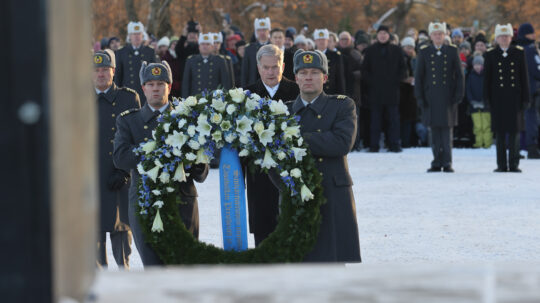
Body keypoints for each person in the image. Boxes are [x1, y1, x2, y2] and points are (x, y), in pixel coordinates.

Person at [113, 61, 209, 265]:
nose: (155, 88)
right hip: (145, 206)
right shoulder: (129, 121)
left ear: (169, 86)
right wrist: (158, 151)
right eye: (150, 84)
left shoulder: (188, 119)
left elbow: (202, 173)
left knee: (185, 270)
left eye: (160, 83)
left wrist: (191, 158)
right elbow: (121, 158)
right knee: (154, 270)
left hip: (182, 204)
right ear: (143, 88)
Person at [286, 49, 361, 263]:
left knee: (333, 263)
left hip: (333, 193)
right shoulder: (284, 110)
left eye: (315, 72)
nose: (308, 77)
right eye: (303, 72)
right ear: (296, 78)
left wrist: (296, 137)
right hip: (297, 195)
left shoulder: (342, 105)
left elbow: (341, 143)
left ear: (325, 78)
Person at [244, 45, 299, 246]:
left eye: (274, 67)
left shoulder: (296, 91)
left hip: (290, 172)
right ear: (258, 68)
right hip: (259, 174)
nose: (270, 72)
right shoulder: (245, 94)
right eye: (266, 67)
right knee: (263, 230)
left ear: (283, 66)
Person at [93, 50, 140, 269]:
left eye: (105, 70)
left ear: (113, 71)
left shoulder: (128, 98)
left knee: (121, 227)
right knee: (93, 229)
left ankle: (124, 273)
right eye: (97, 70)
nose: (101, 74)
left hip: (120, 175)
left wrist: (124, 171)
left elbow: (137, 137)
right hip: (91, 176)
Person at [415, 22, 464, 172]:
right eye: (435, 34)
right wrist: (420, 97)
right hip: (431, 97)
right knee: (434, 131)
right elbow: (419, 77)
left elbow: (459, 76)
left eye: (441, 34)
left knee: (447, 131)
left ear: (445, 35)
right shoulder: (424, 52)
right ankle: (436, 161)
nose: (438, 36)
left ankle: (447, 162)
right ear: (431, 36)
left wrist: (458, 95)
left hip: (447, 97)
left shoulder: (452, 51)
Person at [484, 24, 529, 172]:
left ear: (511, 38)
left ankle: (514, 164)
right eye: (501, 36)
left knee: (515, 132)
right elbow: (487, 80)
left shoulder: (519, 53)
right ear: (496, 38)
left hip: (514, 98)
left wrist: (525, 98)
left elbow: (524, 78)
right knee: (500, 133)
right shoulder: (490, 54)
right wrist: (487, 99)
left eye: (506, 36)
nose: (504, 39)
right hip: (498, 99)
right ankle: (501, 164)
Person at [362, 25, 407, 152]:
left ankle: (394, 144)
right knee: (375, 120)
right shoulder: (370, 50)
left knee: (393, 120)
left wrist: (396, 81)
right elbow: (365, 70)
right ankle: (374, 145)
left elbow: (403, 69)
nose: (382, 36)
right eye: (380, 33)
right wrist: (372, 82)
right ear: (377, 35)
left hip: (392, 91)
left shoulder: (396, 50)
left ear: (389, 35)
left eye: (385, 34)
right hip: (375, 91)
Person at [114, 22, 159, 103]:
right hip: (127, 93)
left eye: (139, 34)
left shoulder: (149, 51)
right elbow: (118, 76)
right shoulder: (121, 52)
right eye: (134, 34)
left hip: (145, 93)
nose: (137, 36)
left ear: (142, 35)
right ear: (129, 36)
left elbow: (154, 75)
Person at [516, 23, 540, 158]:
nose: (534, 35)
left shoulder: (517, 48)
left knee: (518, 119)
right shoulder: (530, 49)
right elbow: (537, 69)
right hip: (532, 89)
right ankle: (532, 147)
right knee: (532, 118)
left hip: (519, 90)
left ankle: (517, 147)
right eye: (531, 33)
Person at [182, 33, 231, 98]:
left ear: (212, 46)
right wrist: (185, 101)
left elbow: (225, 84)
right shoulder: (191, 60)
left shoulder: (220, 61)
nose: (205, 46)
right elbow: (186, 84)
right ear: (199, 46)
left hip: (214, 100)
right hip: (195, 100)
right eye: (202, 44)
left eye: (208, 44)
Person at [466, 55, 492, 148]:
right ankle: (478, 143)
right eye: (475, 64)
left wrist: (485, 101)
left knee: (486, 126)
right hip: (474, 105)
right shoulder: (470, 76)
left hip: (486, 105)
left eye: (479, 64)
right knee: (477, 126)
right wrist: (472, 101)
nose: (477, 66)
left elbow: (489, 89)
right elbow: (468, 90)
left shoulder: (487, 76)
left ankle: (487, 143)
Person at [313, 28, 346, 95]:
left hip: (331, 93)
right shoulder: (310, 56)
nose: (321, 42)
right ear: (315, 41)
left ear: (327, 41)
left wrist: (341, 96)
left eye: (323, 40)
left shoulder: (336, 56)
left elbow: (340, 77)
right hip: (314, 93)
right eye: (319, 40)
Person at [399, 37, 418, 148]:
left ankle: (411, 141)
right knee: (404, 119)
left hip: (412, 93)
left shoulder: (415, 59)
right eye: (407, 47)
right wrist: (406, 79)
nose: (409, 50)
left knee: (411, 119)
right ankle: (405, 141)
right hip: (403, 92)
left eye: (411, 47)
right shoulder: (401, 59)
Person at [241, 17, 271, 87]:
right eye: (259, 30)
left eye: (264, 30)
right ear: (256, 32)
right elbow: (245, 71)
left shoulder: (273, 47)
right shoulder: (249, 48)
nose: (262, 32)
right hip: (253, 86)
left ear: (268, 31)